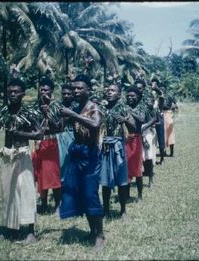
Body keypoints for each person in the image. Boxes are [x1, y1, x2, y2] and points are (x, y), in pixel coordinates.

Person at [0, 79, 38, 244]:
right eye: (10, 92)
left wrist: (21, 134)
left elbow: (39, 134)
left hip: (22, 155)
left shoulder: (29, 112)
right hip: (8, 155)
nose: (13, 95)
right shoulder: (4, 112)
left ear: (23, 93)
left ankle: (31, 232)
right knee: (9, 192)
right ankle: (12, 227)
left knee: (27, 192)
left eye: (16, 92)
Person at [59, 74, 105, 249]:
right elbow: (60, 125)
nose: (76, 91)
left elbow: (95, 125)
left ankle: (100, 235)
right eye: (74, 88)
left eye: (80, 88)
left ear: (88, 90)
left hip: (90, 156)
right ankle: (92, 231)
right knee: (80, 194)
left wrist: (72, 114)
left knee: (90, 194)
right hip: (77, 154)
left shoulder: (94, 107)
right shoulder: (76, 107)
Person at [100, 83, 136, 221]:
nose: (109, 92)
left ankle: (123, 211)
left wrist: (125, 120)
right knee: (105, 181)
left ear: (119, 94)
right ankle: (106, 211)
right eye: (108, 90)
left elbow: (134, 126)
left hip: (118, 147)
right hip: (105, 147)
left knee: (122, 180)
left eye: (113, 90)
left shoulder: (123, 108)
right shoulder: (102, 108)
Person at [31, 77, 62, 214]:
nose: (43, 92)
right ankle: (43, 203)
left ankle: (58, 204)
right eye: (41, 89)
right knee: (40, 174)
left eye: (46, 90)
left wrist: (47, 114)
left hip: (52, 143)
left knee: (53, 174)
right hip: (39, 144)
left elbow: (59, 127)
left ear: (52, 91)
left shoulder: (56, 106)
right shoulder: (34, 106)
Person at [136, 79, 158, 188]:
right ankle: (137, 177)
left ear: (144, 89)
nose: (138, 90)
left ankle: (150, 179)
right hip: (135, 131)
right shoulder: (132, 100)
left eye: (140, 88)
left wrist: (144, 127)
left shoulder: (147, 100)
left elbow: (154, 118)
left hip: (147, 131)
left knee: (148, 157)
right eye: (137, 88)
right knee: (138, 157)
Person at [125, 87, 145, 202]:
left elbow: (142, 119)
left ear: (138, 97)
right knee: (126, 168)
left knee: (137, 168)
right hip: (125, 139)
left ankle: (140, 195)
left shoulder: (140, 108)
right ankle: (126, 195)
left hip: (136, 139)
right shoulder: (123, 107)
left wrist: (130, 112)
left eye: (133, 96)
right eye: (128, 96)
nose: (130, 97)